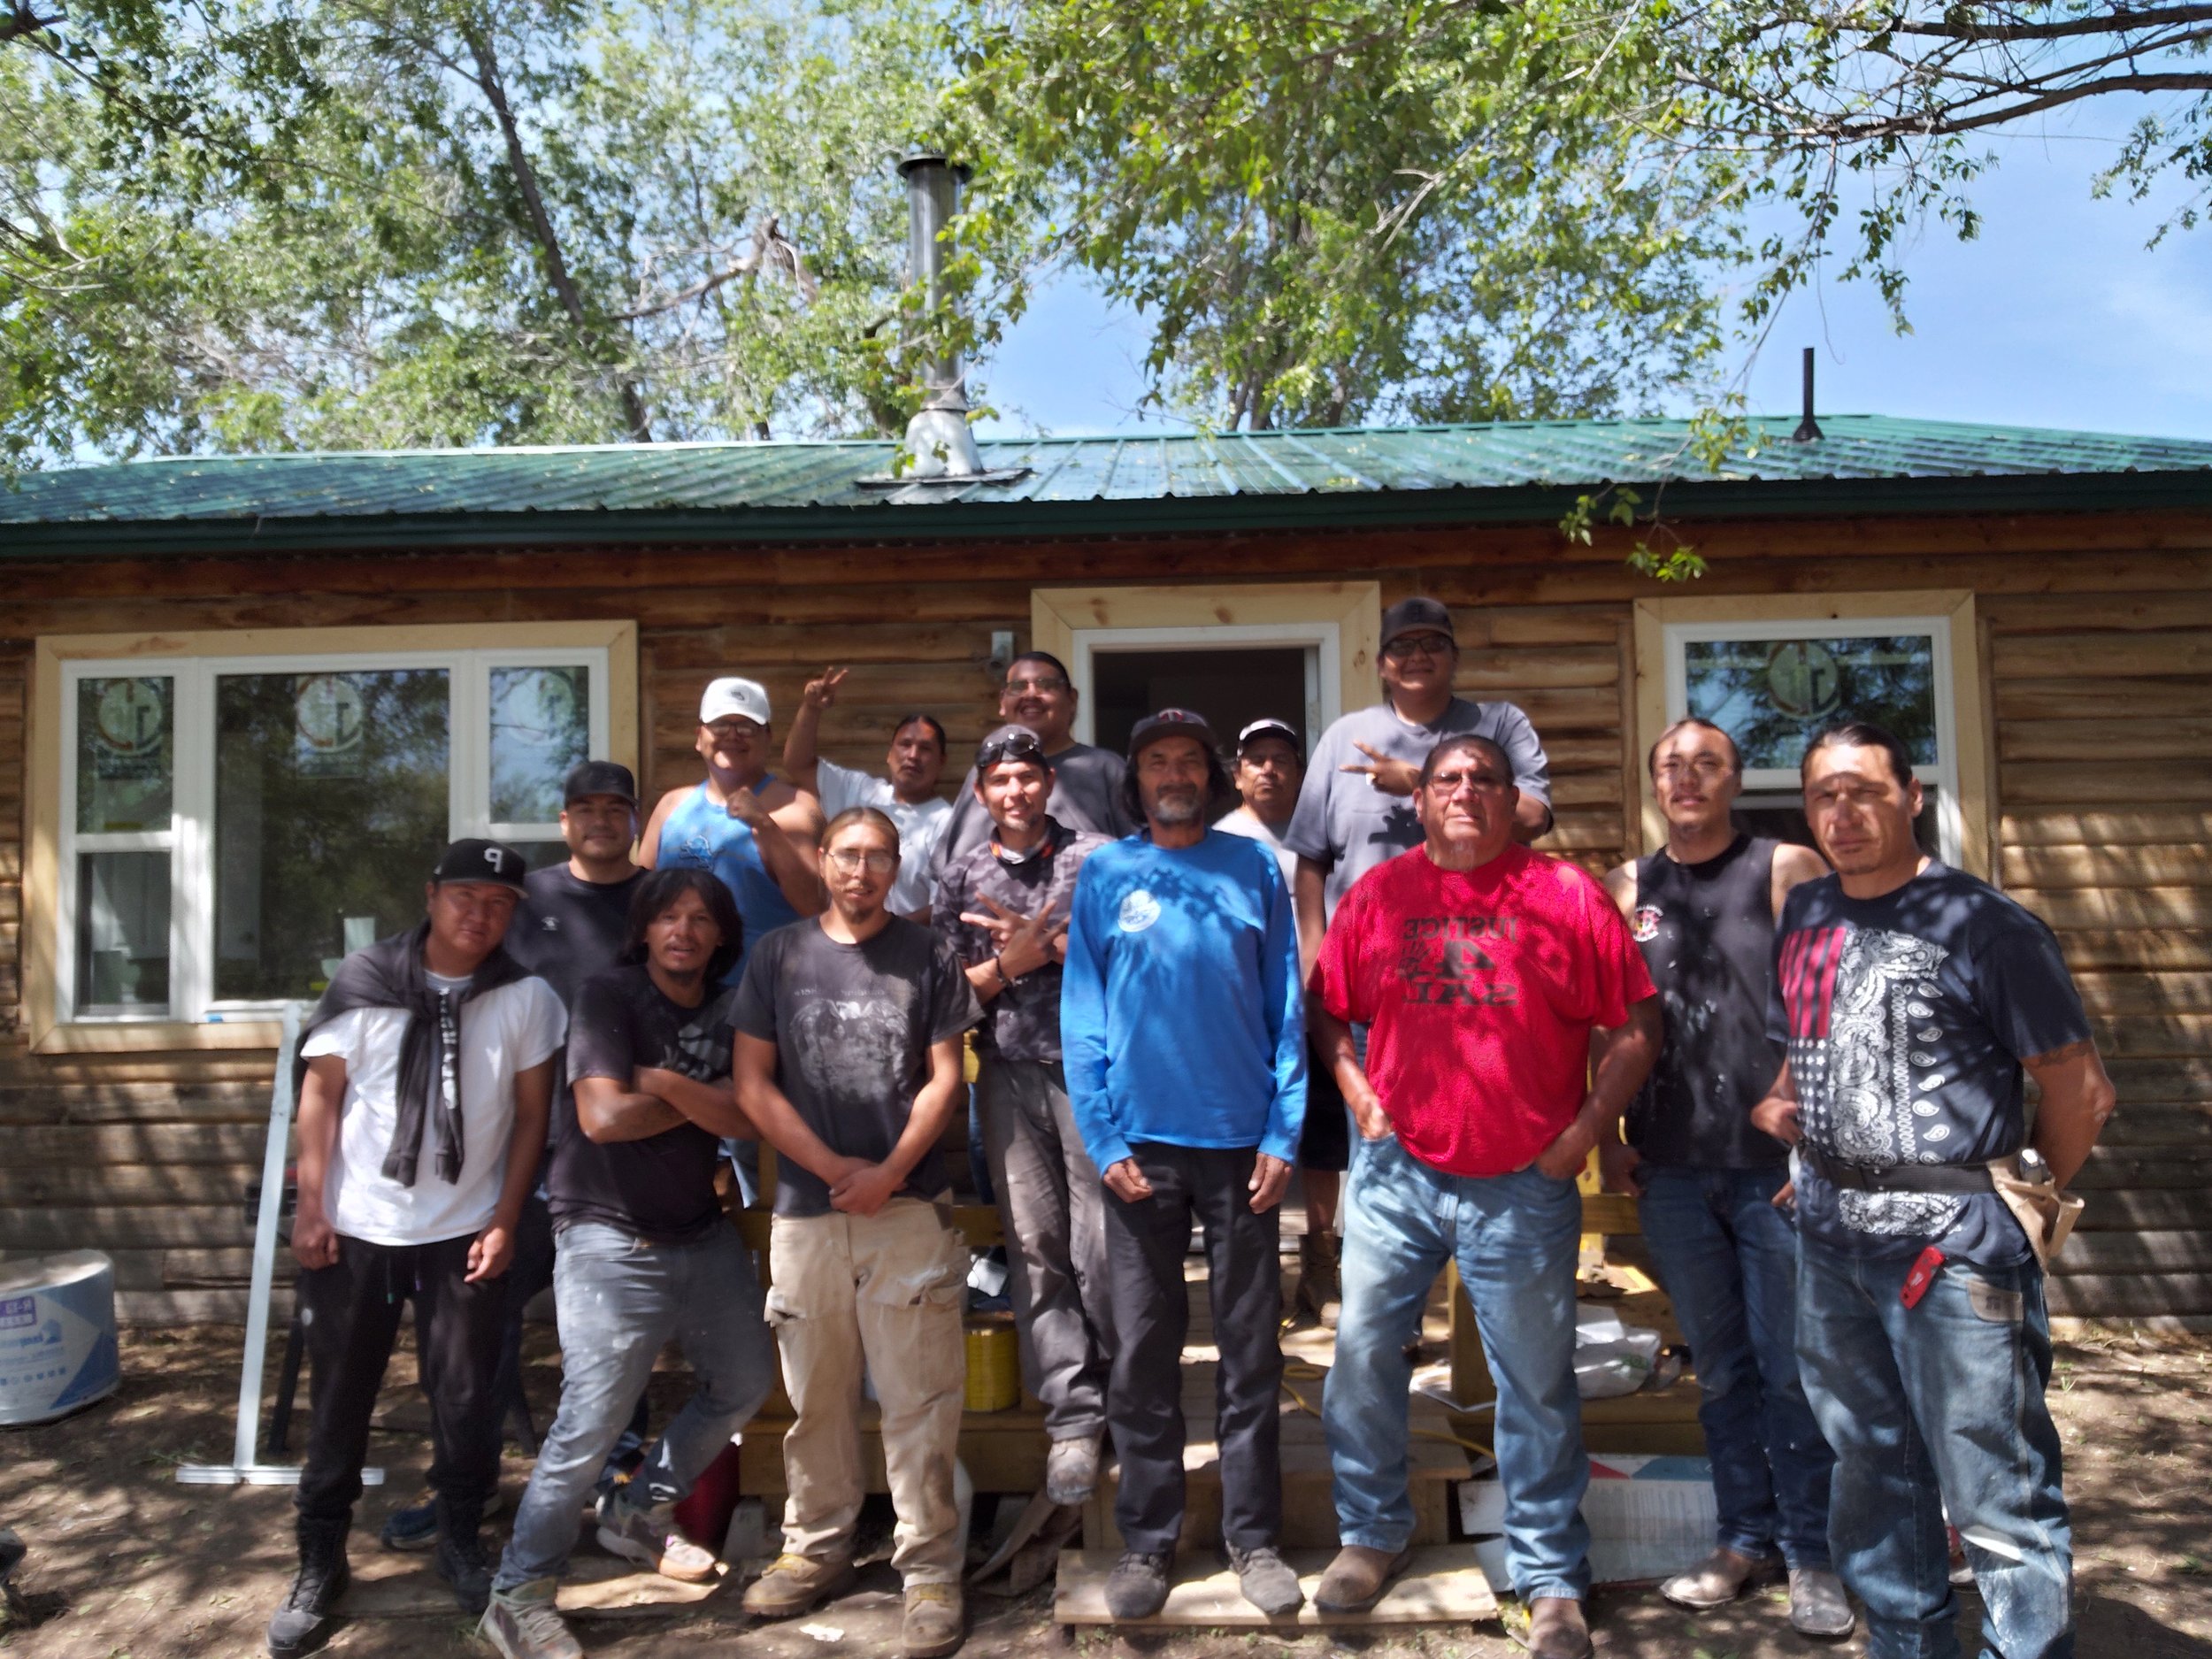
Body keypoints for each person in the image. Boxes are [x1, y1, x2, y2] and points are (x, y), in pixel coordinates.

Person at [1752, 721, 2116, 1659]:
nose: (1844, 813)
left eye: (1866, 791)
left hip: (1953, 1257)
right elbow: (1807, 1039)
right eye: (1825, 794)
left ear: (1911, 798)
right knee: (1871, 1474)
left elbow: (2079, 1088)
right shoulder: (1806, 915)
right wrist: (1802, 1126)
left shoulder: (1983, 925)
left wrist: (2022, 1199)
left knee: (1995, 1491)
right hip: (1831, 1252)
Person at [1310, 735, 1659, 1659]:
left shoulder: (1565, 895)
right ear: (1419, 802)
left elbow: (1634, 1028)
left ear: (1514, 803)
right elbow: (1328, 1006)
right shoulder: (1379, 897)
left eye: (1484, 781)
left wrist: (1585, 1135)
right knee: (1358, 1359)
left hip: (1520, 1183)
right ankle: (1371, 1532)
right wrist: (1353, 1088)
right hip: (1396, 1175)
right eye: (1447, 781)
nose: (1464, 793)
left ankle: (1551, 1582)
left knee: (1534, 1387)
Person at [268, 841, 565, 1659]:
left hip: (464, 1229)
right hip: (361, 1225)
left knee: (467, 1398)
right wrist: (313, 1206)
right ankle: (319, 1558)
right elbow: (321, 1096)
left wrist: (506, 1219)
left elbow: (533, 1118)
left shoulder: (527, 998)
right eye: (466, 895)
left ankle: (462, 1537)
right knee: (340, 1397)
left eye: (499, 902)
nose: (481, 914)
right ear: (431, 896)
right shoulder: (365, 980)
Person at [480, 869, 777, 1659]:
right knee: (590, 1420)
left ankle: (636, 1510)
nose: (684, 930)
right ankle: (517, 1592)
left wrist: (667, 1079)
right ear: (644, 929)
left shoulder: (730, 1007)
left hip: (698, 1229)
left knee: (745, 1380)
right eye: (669, 916)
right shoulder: (608, 996)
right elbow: (603, 1117)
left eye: (701, 919)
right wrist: (703, 1095)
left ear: (720, 936)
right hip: (607, 1234)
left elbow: (749, 1117)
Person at [1596, 720, 1847, 1634]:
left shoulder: (1785, 869)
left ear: (1735, 778)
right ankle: (1744, 1540)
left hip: (1774, 1172)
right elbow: (1611, 1020)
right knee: (1719, 1373)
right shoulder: (1628, 888)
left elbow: (1830, 1004)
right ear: (1654, 780)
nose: (1687, 778)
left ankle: (1815, 1553)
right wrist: (1610, 1137)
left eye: (1707, 764)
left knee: (1793, 1370)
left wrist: (1807, 1127)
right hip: (1669, 1169)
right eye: (1671, 765)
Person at [1062, 710, 1306, 1622]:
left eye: (1190, 761)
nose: (1174, 772)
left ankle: (1255, 1537)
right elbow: (1080, 1012)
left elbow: (1286, 1000)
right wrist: (1104, 1136)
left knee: (1249, 1350)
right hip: (1141, 1149)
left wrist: (1284, 1133)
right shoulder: (1106, 871)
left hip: (1242, 1143)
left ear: (1212, 776)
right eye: (1157, 759)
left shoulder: (1252, 868)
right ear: (1138, 776)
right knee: (1143, 1352)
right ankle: (1149, 1543)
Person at [733, 808, 983, 1659]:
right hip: (807, 1211)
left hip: (907, 1210)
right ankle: (816, 1550)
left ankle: (930, 1572)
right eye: (848, 855)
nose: (862, 870)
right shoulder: (778, 955)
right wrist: (836, 1168)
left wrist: (886, 1174)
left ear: (895, 865)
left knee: (919, 1397)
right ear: (823, 860)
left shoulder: (929, 955)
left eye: (879, 856)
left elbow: (945, 1078)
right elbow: (753, 1084)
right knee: (817, 1397)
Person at [382, 761, 649, 1553]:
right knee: (482, 1317)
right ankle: (469, 1484)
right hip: (519, 1149)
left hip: (621, 1148)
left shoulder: (660, 901)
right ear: (563, 821)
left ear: (634, 819)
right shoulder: (523, 901)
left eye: (615, 808)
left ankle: (617, 1486)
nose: (600, 820)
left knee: (615, 1322)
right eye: (585, 808)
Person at [933, 725, 1115, 1505]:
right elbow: (945, 996)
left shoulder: (1098, 858)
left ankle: (1129, 1395)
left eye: (1028, 777)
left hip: (1093, 1075)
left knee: (1104, 1243)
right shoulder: (961, 875)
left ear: (1050, 783)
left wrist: (1059, 949)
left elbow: (1134, 965)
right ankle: (1073, 1415)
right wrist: (1013, 962)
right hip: (1005, 1075)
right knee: (1035, 1246)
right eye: (1000, 780)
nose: (1016, 792)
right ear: (981, 793)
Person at [1286, 595, 1552, 966]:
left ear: (1455, 658)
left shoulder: (1501, 726)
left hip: (1481, 965)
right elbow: (1312, 860)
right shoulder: (1343, 738)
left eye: (1434, 644)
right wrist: (1314, 955)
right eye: (1402, 646)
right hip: (1365, 965)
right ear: (1381, 665)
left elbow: (1534, 819)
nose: (1418, 656)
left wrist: (1416, 780)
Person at [1215, 716, 1350, 1326]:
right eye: (1257, 758)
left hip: (1315, 1009)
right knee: (1248, 1143)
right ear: (1238, 773)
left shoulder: (1319, 839)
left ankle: (1322, 1266)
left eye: (1282, 759)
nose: (1270, 768)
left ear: (1300, 771)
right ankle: (1253, 1275)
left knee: (1320, 1143)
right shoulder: (1218, 839)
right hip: (1242, 1020)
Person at [642, 676, 824, 979]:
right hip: (677, 994)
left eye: (746, 726)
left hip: (763, 994)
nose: (732, 735)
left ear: (767, 737)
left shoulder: (797, 807)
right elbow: (640, 901)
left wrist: (765, 826)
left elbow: (817, 908)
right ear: (700, 736)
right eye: (720, 724)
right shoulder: (671, 806)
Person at [928, 651, 1134, 882]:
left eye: (1046, 685)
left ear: (1072, 699)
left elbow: (1142, 859)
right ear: (1002, 702)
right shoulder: (982, 773)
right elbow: (952, 874)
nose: (1031, 694)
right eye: (1018, 686)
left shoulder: (1106, 768)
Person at [783, 667, 953, 921]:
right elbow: (797, 764)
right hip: (842, 939)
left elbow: (943, 906)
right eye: (905, 744)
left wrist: (882, 934)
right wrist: (811, 708)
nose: (913, 755)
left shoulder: (947, 822)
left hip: (905, 949)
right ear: (889, 754)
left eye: (925, 748)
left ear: (941, 762)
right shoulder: (860, 790)